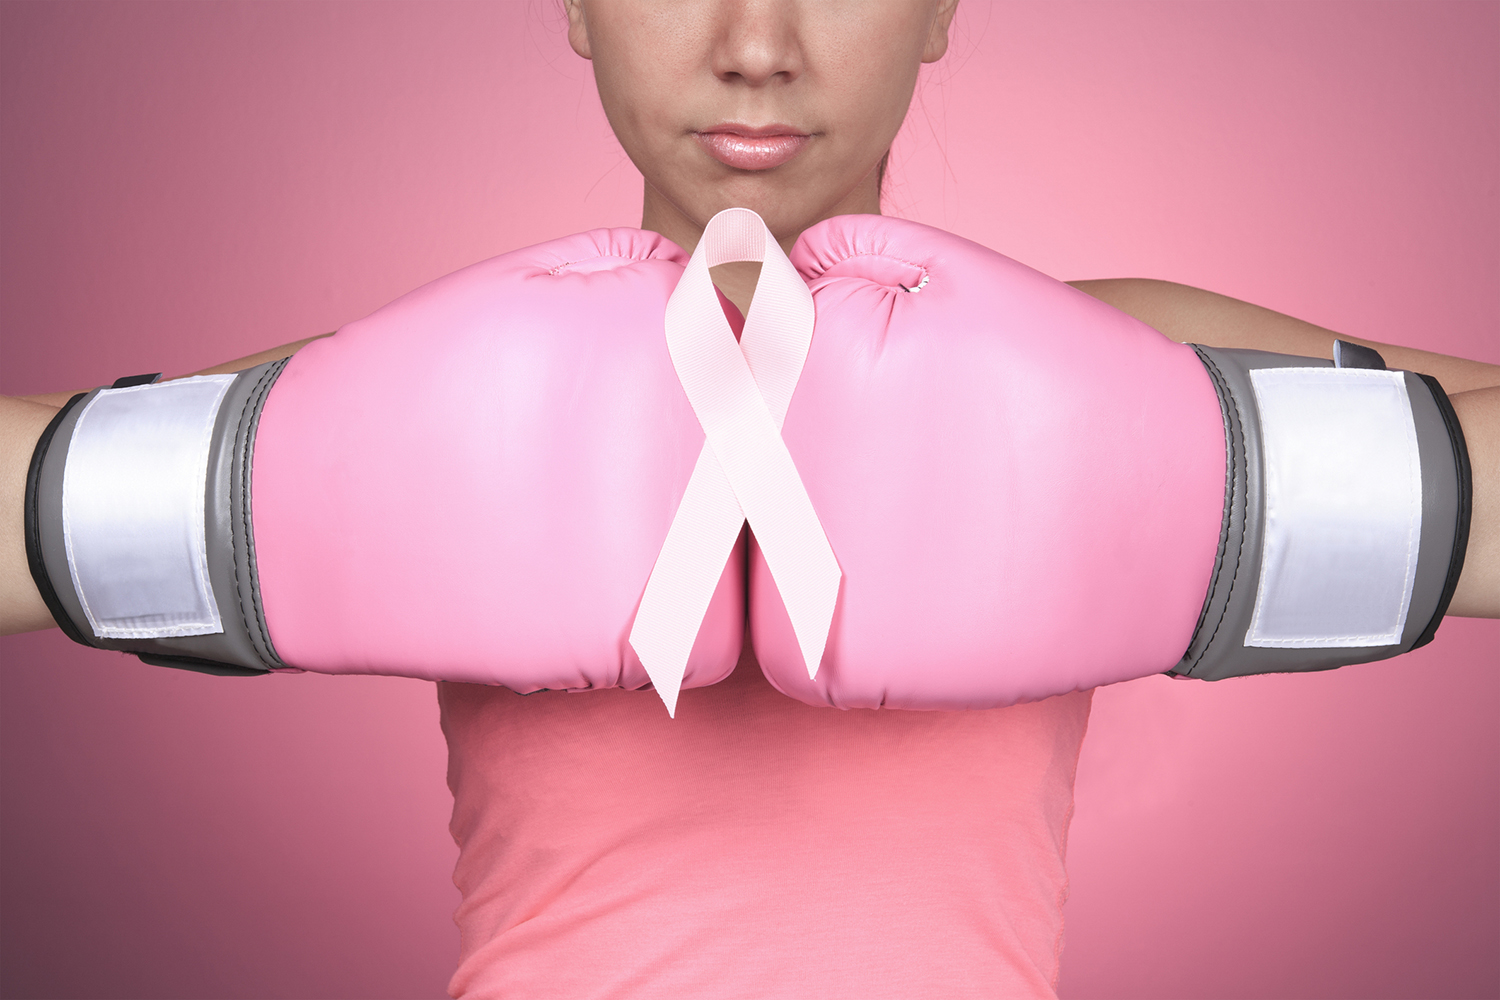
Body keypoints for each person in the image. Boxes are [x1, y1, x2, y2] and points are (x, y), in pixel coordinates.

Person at [0, 2, 1495, 997]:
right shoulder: (425, 382)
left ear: (941, 3)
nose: (756, 45)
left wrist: (1226, 474)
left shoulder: (1127, 354)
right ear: (578, 5)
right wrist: (269, 481)